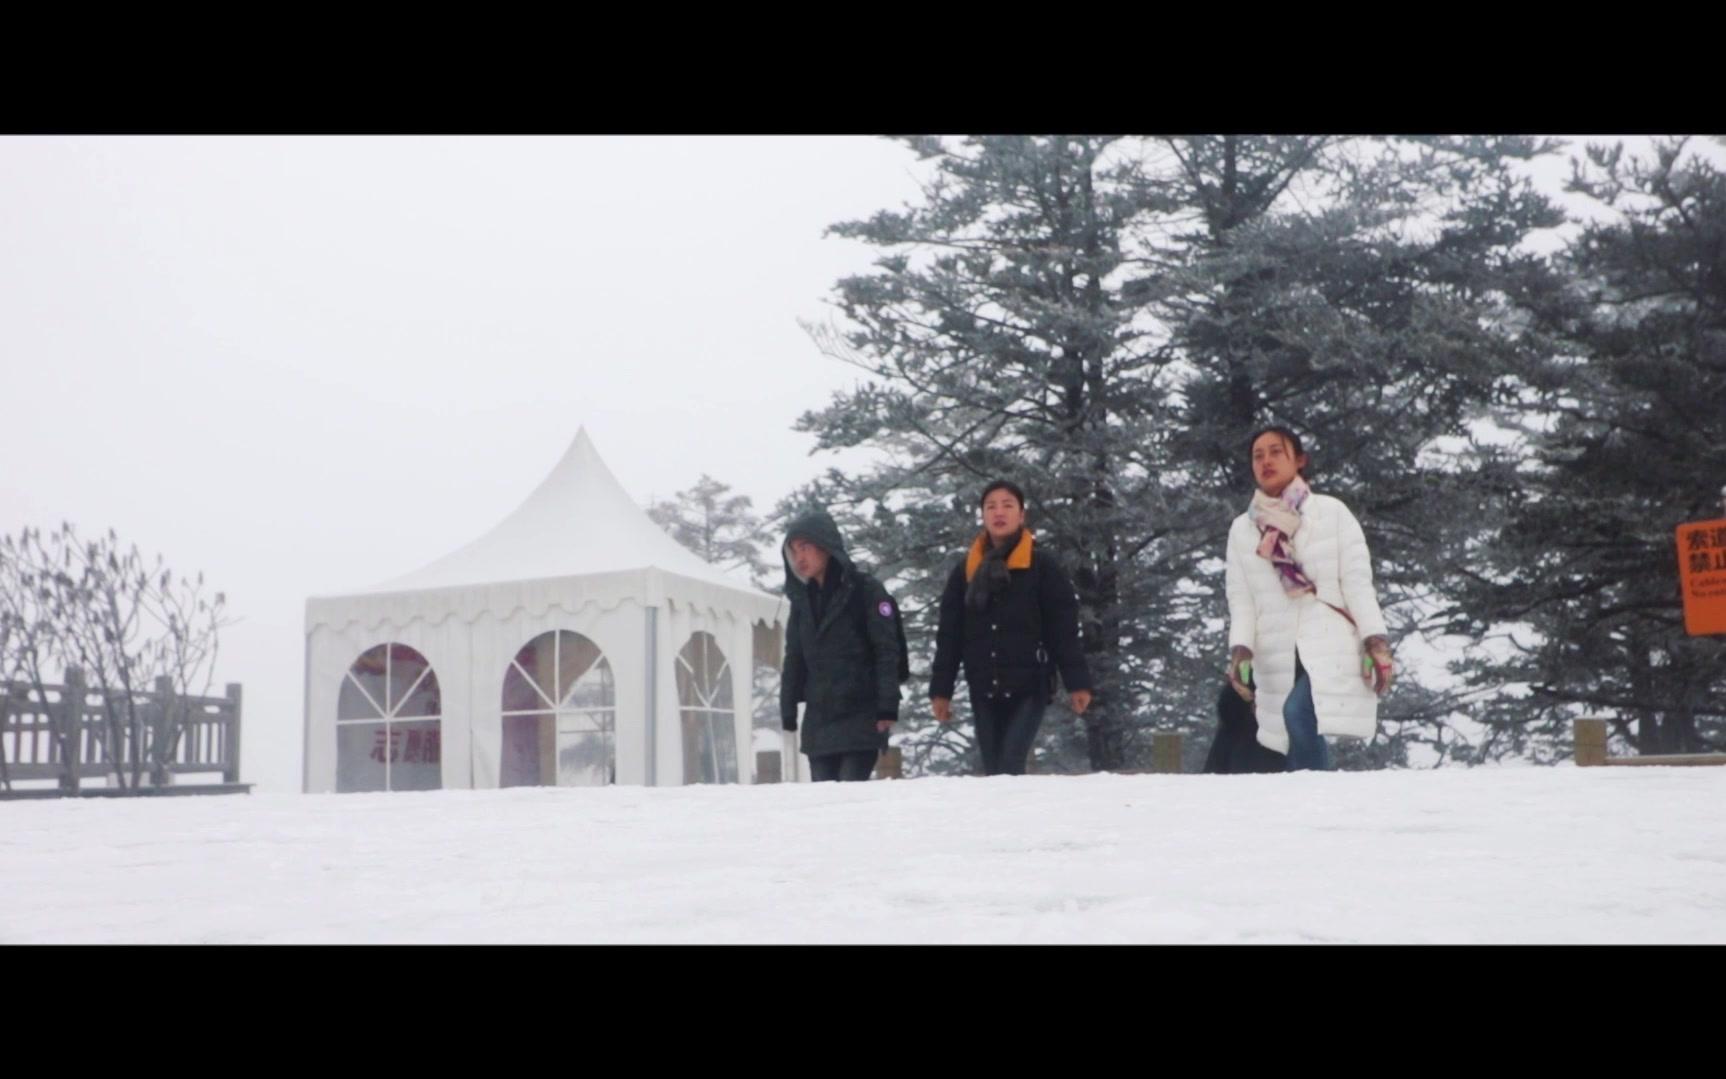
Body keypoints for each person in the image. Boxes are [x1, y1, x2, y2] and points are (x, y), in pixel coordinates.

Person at [1225, 426, 1393, 771]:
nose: (1266, 461)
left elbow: (1358, 583)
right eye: (1258, 455)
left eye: (1276, 452)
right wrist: (1240, 650)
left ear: (1299, 460)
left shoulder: (1332, 513)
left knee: (1297, 712)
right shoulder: (1242, 529)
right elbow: (1241, 599)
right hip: (1276, 647)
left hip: (1329, 640)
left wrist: (1375, 640)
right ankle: (1304, 806)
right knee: (1289, 731)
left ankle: (1317, 798)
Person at [930, 480, 1092, 776]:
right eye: (991, 506)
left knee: (1010, 764)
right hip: (982, 683)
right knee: (993, 769)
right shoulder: (965, 571)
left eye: (1007, 505)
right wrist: (941, 690)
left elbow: (1063, 629)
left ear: (1022, 515)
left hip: (1030, 683)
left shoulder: (1042, 567)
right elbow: (950, 635)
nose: (999, 512)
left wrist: (1077, 682)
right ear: (982, 516)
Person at [780, 508, 901, 781]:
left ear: (826, 546)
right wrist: (787, 708)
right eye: (793, 551)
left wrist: (887, 707)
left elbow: (886, 649)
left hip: (861, 713)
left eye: (805, 547)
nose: (799, 558)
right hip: (819, 720)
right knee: (825, 805)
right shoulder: (802, 602)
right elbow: (795, 657)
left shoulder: (865, 590)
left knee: (850, 798)